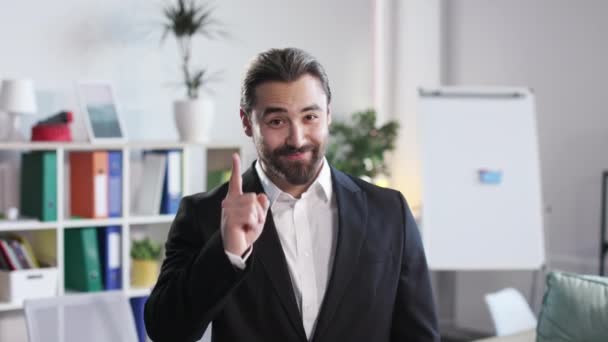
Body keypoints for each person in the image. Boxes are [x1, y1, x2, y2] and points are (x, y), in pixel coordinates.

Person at [144, 47, 439, 342]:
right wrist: (228, 252)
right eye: (277, 121)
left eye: (310, 117)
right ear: (247, 122)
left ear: (328, 115)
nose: (297, 139)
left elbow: (419, 335)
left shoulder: (389, 211)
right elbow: (166, 331)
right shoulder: (205, 214)